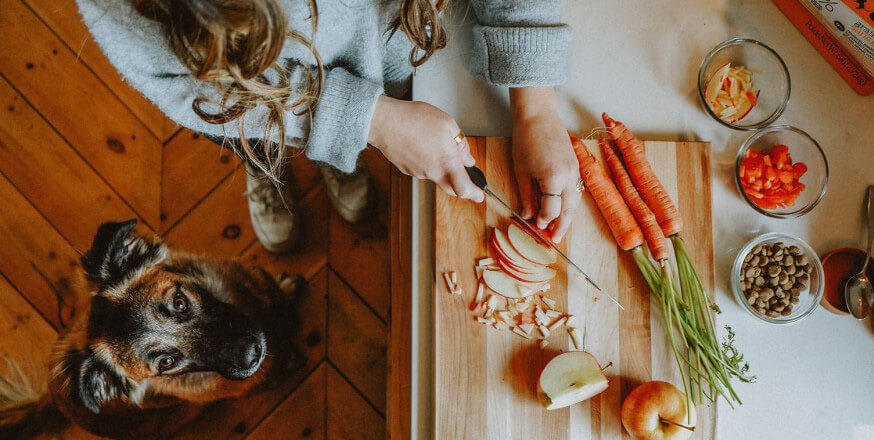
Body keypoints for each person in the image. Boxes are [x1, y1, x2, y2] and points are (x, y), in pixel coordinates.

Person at [76, 0, 581, 253]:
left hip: (396, 45)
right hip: (256, 105)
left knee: (351, 135)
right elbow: (198, 87)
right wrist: (367, 118)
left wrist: (534, 106)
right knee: (262, 140)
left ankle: (339, 154)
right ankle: (269, 163)